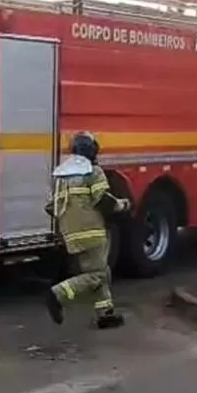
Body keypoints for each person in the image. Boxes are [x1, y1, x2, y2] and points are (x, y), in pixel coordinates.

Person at [44, 131, 131, 329]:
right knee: (97, 275)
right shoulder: (93, 171)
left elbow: (50, 206)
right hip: (91, 231)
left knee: (99, 270)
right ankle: (58, 294)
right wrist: (123, 205)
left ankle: (105, 314)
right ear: (91, 151)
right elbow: (103, 201)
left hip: (70, 233)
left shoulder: (60, 175)